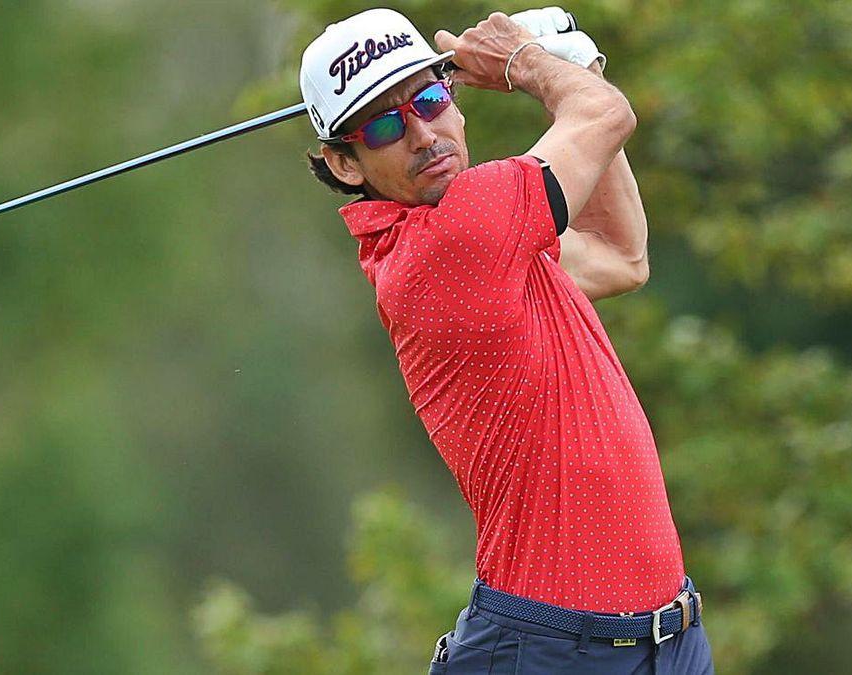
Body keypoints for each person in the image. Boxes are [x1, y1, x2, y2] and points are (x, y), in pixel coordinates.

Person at [298, 8, 715, 674]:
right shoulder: (458, 234)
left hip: (667, 638)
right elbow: (605, 118)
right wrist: (526, 62)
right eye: (383, 124)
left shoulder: (479, 239)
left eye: (429, 98)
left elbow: (618, 252)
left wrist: (575, 67)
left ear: (455, 104)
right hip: (552, 650)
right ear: (346, 164)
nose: (422, 133)